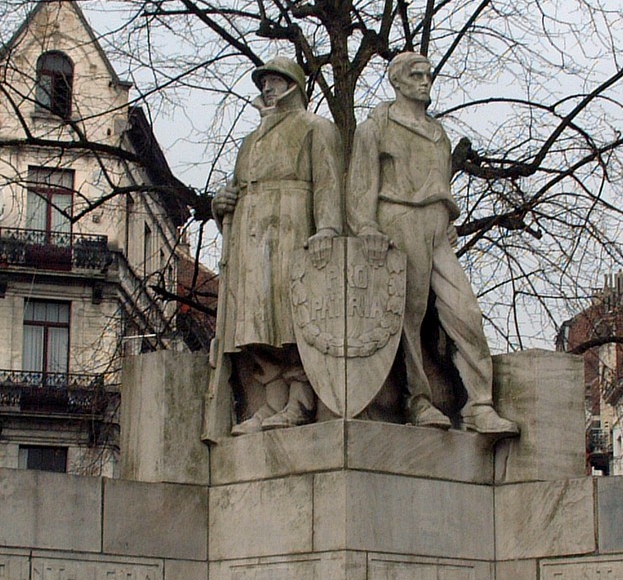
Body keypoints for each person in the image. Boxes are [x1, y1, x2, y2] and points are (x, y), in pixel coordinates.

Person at [347, 52, 518, 437]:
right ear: (397, 81)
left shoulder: (438, 133)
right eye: (416, 75)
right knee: (407, 313)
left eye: (428, 75)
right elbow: (360, 185)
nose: (425, 82)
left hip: (437, 229)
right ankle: (417, 399)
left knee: (465, 311)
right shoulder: (376, 126)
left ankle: (480, 404)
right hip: (397, 220)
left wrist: (446, 216)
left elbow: (440, 186)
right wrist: (366, 226)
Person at [205, 58, 342, 439]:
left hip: (293, 229)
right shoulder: (250, 141)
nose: (267, 88)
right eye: (263, 82)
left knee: (292, 320)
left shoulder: (317, 128)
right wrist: (223, 203)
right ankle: (273, 399)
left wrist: (328, 228)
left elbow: (329, 183)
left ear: (294, 85)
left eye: (275, 81)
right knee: (256, 322)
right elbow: (237, 188)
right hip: (252, 237)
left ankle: (300, 400)